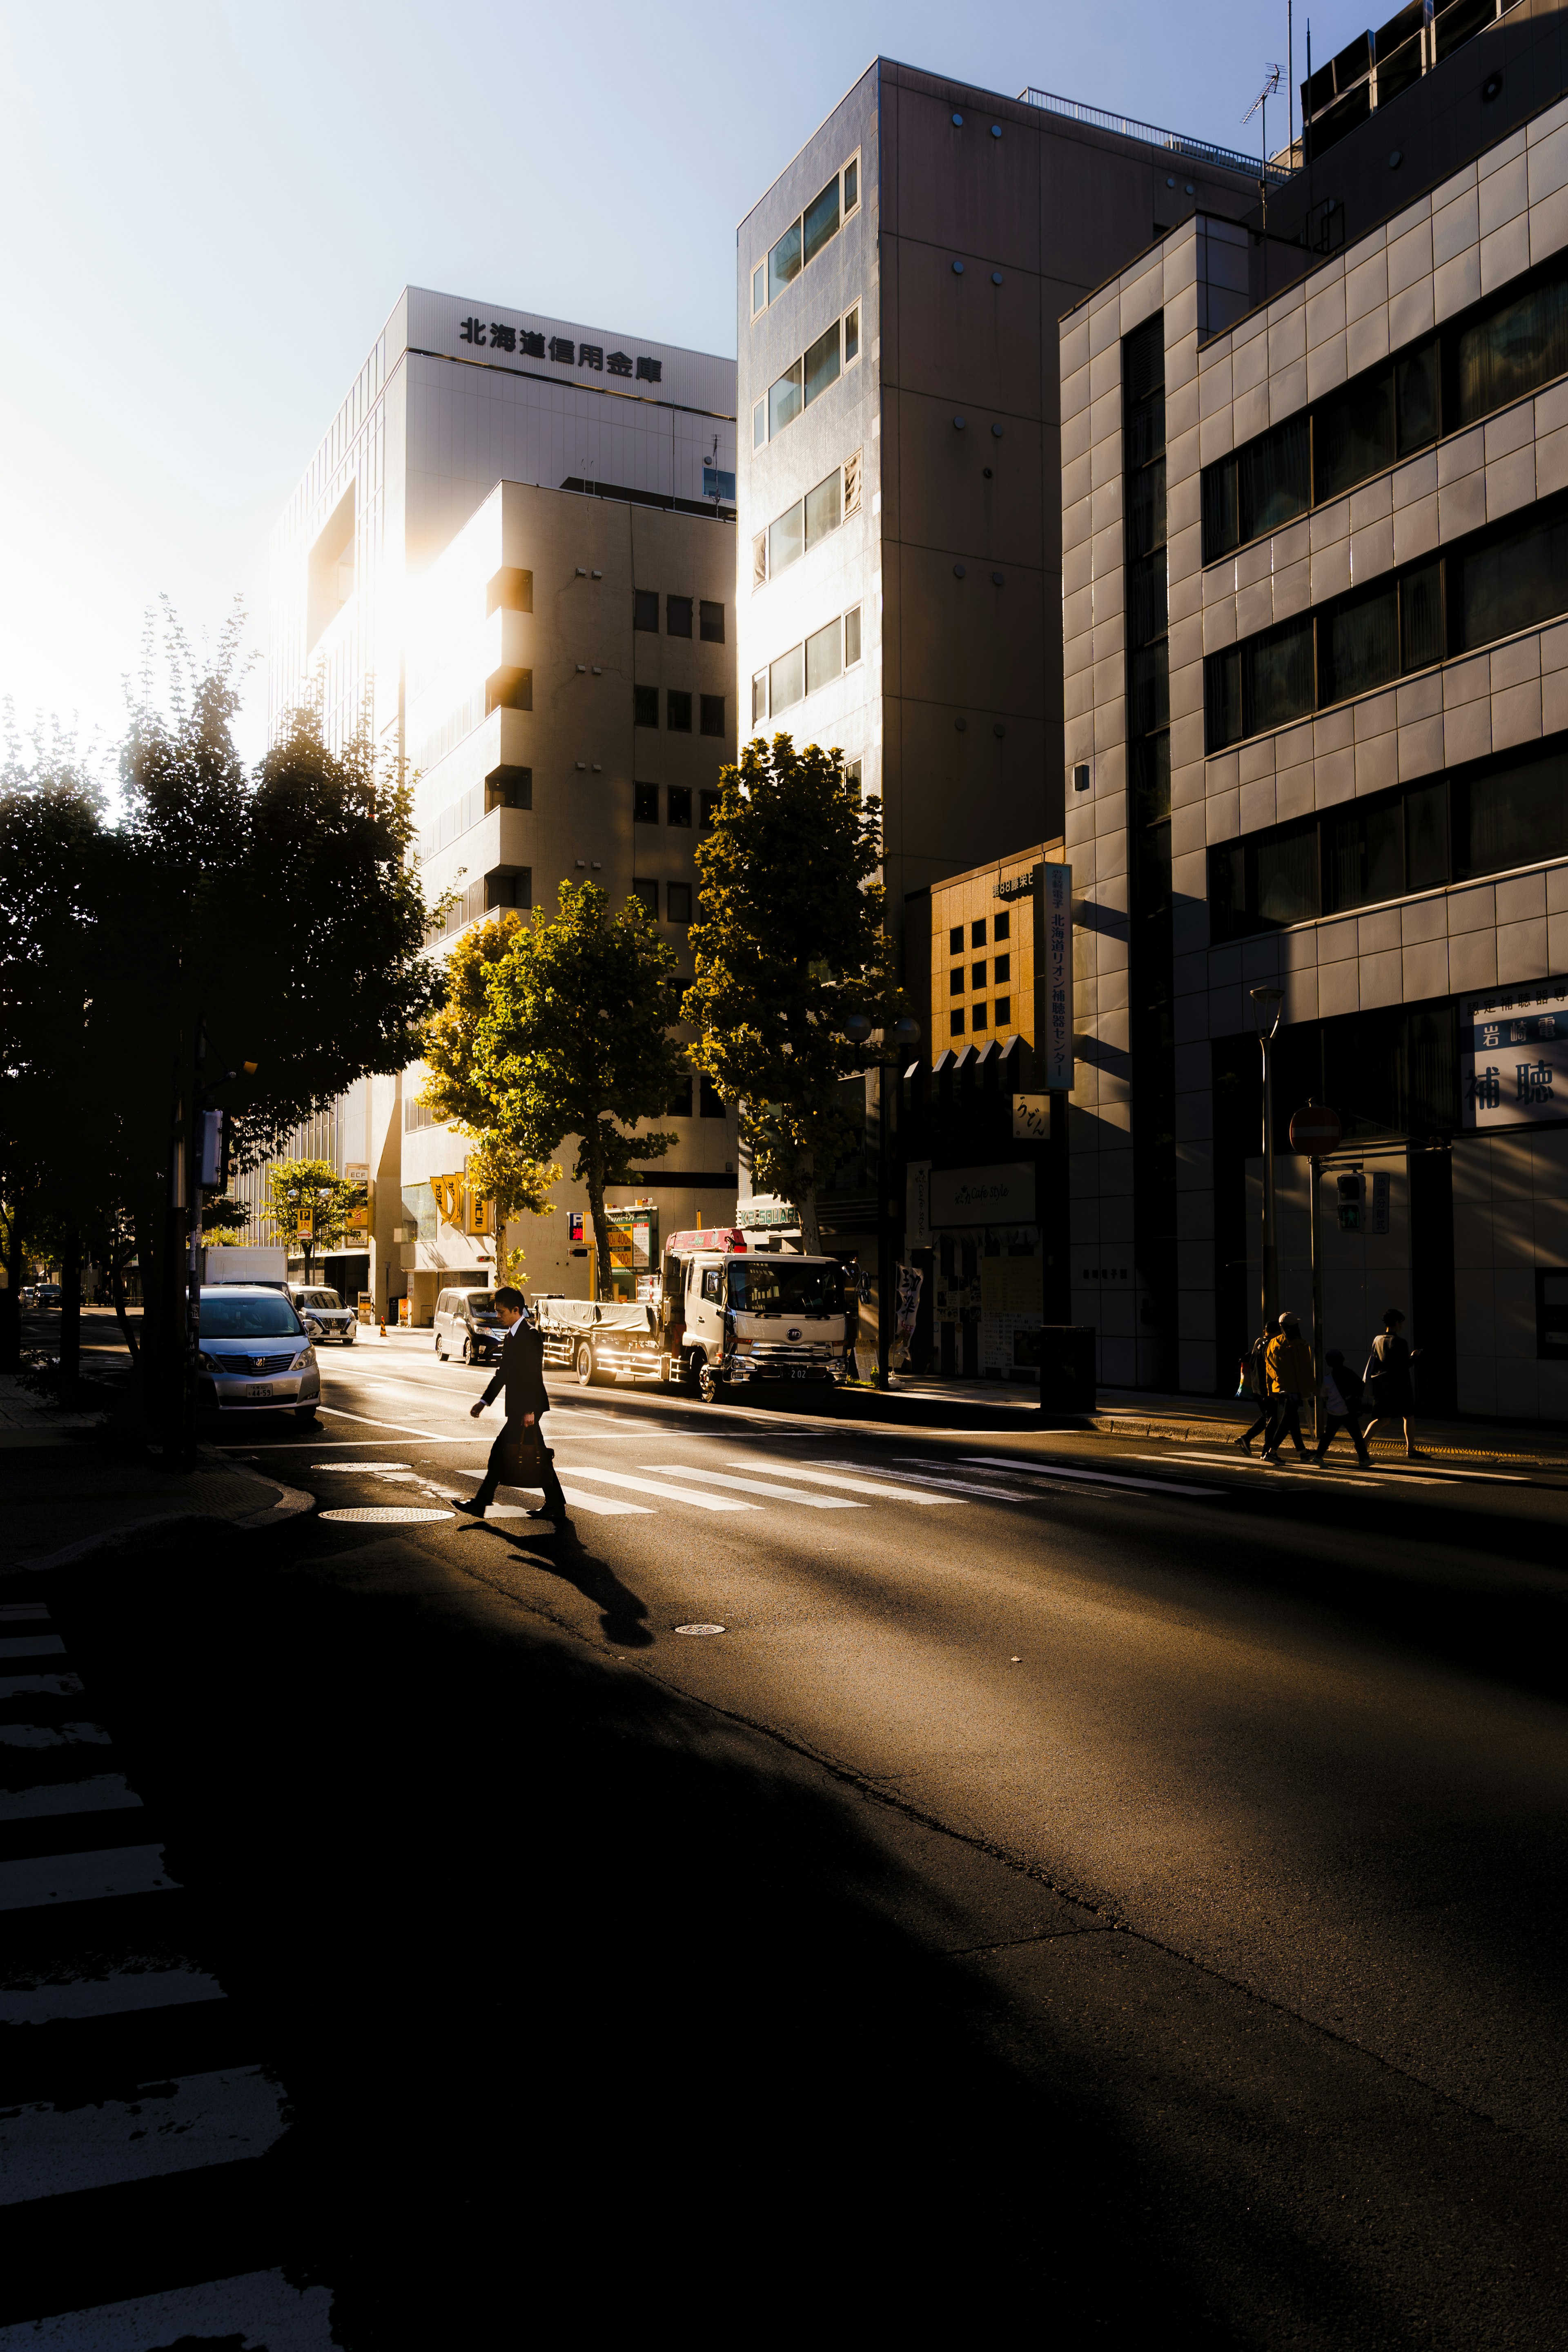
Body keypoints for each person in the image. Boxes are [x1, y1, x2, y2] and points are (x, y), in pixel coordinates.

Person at [455, 1287, 568, 1522]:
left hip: (526, 1409)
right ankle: (556, 1503)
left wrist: (530, 1411)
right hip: (519, 1409)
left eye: (501, 1311)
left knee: (500, 1453)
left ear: (516, 1310)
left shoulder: (530, 1335)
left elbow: (533, 1375)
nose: (498, 1316)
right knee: (537, 1454)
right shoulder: (511, 1335)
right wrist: (484, 1401)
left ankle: (481, 1503)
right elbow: (504, 1373)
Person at [1363, 1307, 1421, 1460]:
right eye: (1401, 1323)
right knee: (1408, 1416)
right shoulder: (1400, 1342)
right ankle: (1410, 1450)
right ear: (1396, 1323)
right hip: (1400, 1384)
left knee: (1383, 1418)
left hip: (1382, 1384)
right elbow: (1403, 1365)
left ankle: (1363, 1444)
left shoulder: (1377, 1340)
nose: (1401, 1326)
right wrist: (1414, 1357)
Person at [1261, 1309, 1313, 1463]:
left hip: (1280, 1387)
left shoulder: (1273, 1343)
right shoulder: (1299, 1345)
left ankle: (1303, 1452)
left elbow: (1268, 1368)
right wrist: (1310, 1389)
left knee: (1293, 1421)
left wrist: (1272, 1390)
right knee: (1287, 1421)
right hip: (1294, 1389)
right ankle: (1271, 1452)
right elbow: (1304, 1370)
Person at [1312, 1348, 1370, 1468]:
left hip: (1333, 1412)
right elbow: (1361, 1386)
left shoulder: (1328, 1378)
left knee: (1328, 1436)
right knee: (1357, 1436)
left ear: (1329, 1363)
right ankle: (1364, 1459)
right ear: (1343, 1360)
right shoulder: (1349, 1373)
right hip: (1348, 1411)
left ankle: (1318, 1457)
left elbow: (1323, 1394)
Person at [1233, 1329, 1272, 1452]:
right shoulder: (1270, 1344)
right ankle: (1267, 1449)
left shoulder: (1258, 1342)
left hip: (1256, 1386)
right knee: (1272, 1418)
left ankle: (1248, 1439)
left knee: (1268, 1415)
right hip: (1265, 1388)